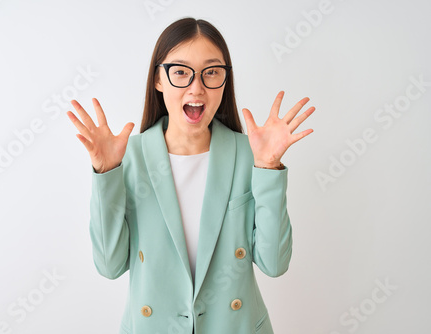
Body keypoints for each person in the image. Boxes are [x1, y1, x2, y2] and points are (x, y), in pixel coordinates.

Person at [67, 17, 315, 334]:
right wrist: (106, 173)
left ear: (225, 80)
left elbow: (275, 264)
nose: (196, 88)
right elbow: (109, 265)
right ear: (158, 79)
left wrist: (268, 167)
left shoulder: (249, 154)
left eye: (211, 72)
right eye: (181, 72)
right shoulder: (128, 156)